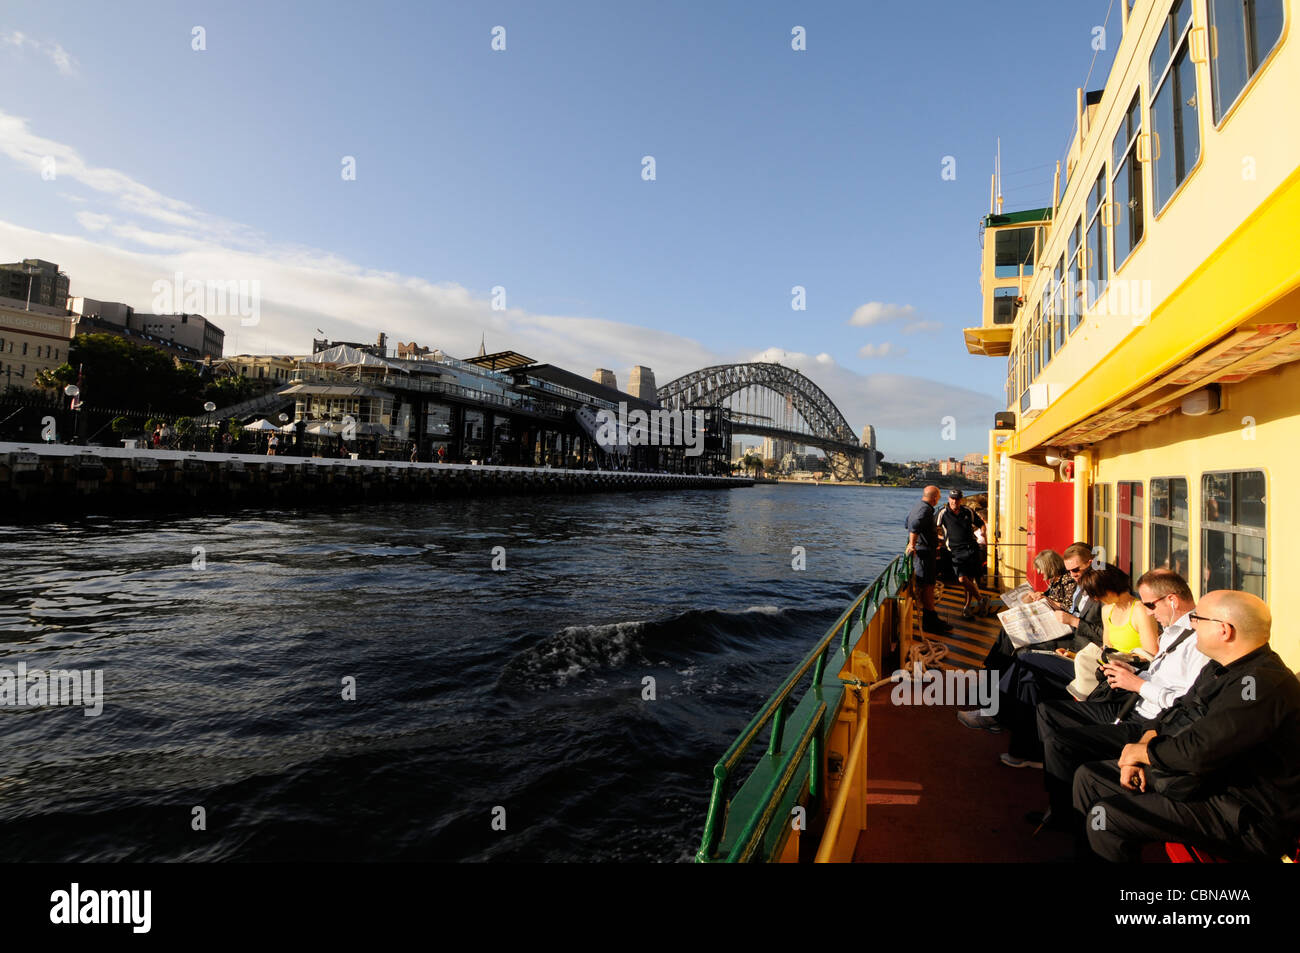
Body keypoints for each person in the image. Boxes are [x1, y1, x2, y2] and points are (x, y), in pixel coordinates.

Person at [1073, 589, 1300, 862]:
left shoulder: (1260, 687)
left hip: (1244, 814)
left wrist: (1141, 754)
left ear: (1224, 630)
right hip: (1206, 782)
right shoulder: (1221, 667)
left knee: (1108, 818)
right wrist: (1142, 745)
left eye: (1197, 619)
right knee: (1090, 777)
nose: (1191, 625)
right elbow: (1178, 709)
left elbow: (1198, 750)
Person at [1034, 570, 1206, 831]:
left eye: (1150, 605)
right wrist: (1132, 672)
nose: (1148, 613)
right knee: (1048, 711)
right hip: (1131, 703)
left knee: (1060, 744)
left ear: (1172, 600)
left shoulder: (1200, 645)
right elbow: (1156, 672)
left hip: (1148, 722)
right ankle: (1059, 800)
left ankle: (1066, 815)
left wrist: (1139, 684)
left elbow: (1185, 705)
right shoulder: (1173, 632)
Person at [905, 485, 949, 634]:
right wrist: (912, 544)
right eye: (938, 497)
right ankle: (930, 621)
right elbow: (915, 525)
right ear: (934, 497)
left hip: (924, 551)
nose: (938, 500)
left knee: (927, 584)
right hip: (924, 554)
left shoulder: (918, 506)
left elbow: (907, 522)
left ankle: (931, 618)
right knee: (927, 585)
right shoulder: (925, 509)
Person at [936, 489, 985, 619]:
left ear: (961, 500)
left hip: (970, 549)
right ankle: (981, 599)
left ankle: (967, 607)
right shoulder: (942, 513)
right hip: (955, 552)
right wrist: (941, 539)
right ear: (948, 499)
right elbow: (933, 528)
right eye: (952, 498)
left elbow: (981, 524)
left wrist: (984, 534)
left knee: (969, 579)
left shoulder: (968, 511)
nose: (954, 501)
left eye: (957, 499)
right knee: (962, 579)